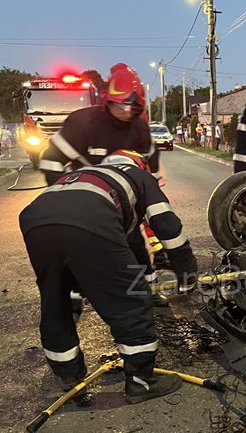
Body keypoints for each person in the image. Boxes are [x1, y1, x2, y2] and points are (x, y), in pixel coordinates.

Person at [19, 149, 197, 404]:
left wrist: (140, 274)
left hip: (36, 221)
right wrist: (188, 274)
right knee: (130, 303)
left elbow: (131, 244)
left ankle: (68, 374)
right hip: (89, 219)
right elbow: (168, 227)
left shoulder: (86, 174)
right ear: (140, 165)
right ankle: (141, 382)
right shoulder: (138, 175)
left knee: (57, 297)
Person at [39, 62, 170, 306]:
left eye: (133, 106)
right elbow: (51, 162)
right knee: (79, 249)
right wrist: (62, 198)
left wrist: (147, 196)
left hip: (122, 202)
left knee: (134, 245)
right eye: (121, 104)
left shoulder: (140, 129)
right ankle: (73, 296)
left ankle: (148, 289)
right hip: (83, 200)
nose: (126, 111)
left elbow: (148, 169)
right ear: (107, 100)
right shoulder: (83, 123)